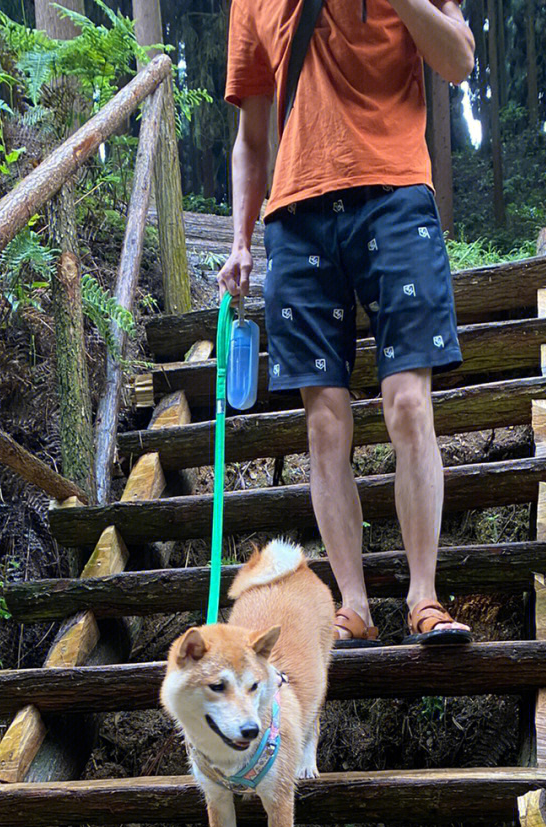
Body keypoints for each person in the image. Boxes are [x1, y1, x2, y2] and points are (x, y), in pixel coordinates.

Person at [219, 0, 476, 645]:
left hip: (395, 195)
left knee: (409, 402)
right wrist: (240, 240)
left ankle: (424, 597)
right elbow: (252, 135)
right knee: (324, 419)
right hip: (296, 214)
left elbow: (459, 61)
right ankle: (352, 606)